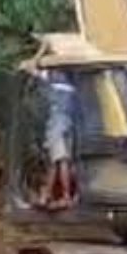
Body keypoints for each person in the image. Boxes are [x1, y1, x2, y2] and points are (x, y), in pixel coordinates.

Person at [41, 68, 76, 210]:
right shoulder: (73, 87)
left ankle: (63, 195)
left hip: (56, 126)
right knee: (62, 161)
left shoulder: (52, 84)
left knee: (58, 162)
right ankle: (50, 194)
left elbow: (31, 69)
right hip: (68, 125)